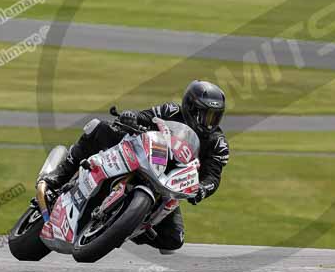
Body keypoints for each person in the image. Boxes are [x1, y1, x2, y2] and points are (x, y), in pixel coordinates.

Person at [44, 80, 229, 253]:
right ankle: (61, 173)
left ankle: (127, 228)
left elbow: (213, 175)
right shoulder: (171, 111)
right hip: (143, 155)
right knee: (98, 128)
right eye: (205, 115)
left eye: (215, 116)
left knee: (174, 239)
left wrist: (203, 189)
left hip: (168, 182)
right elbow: (144, 116)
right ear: (190, 107)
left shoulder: (217, 143)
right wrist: (131, 117)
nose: (210, 121)